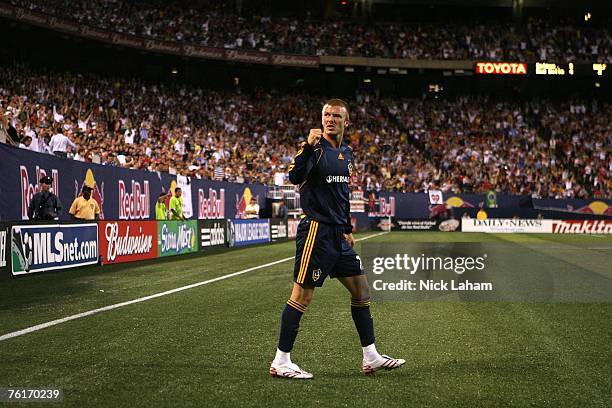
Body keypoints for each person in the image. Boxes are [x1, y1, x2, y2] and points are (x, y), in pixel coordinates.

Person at [269, 99, 404, 379]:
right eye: (326, 115)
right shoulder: (314, 150)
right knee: (302, 295)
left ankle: (371, 356)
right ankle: (281, 360)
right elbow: (294, 177)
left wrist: (346, 228)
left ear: (346, 122)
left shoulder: (347, 153)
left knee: (361, 290)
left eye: (335, 116)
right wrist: (306, 146)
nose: (329, 119)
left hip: (337, 234)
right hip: (316, 232)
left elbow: (342, 196)